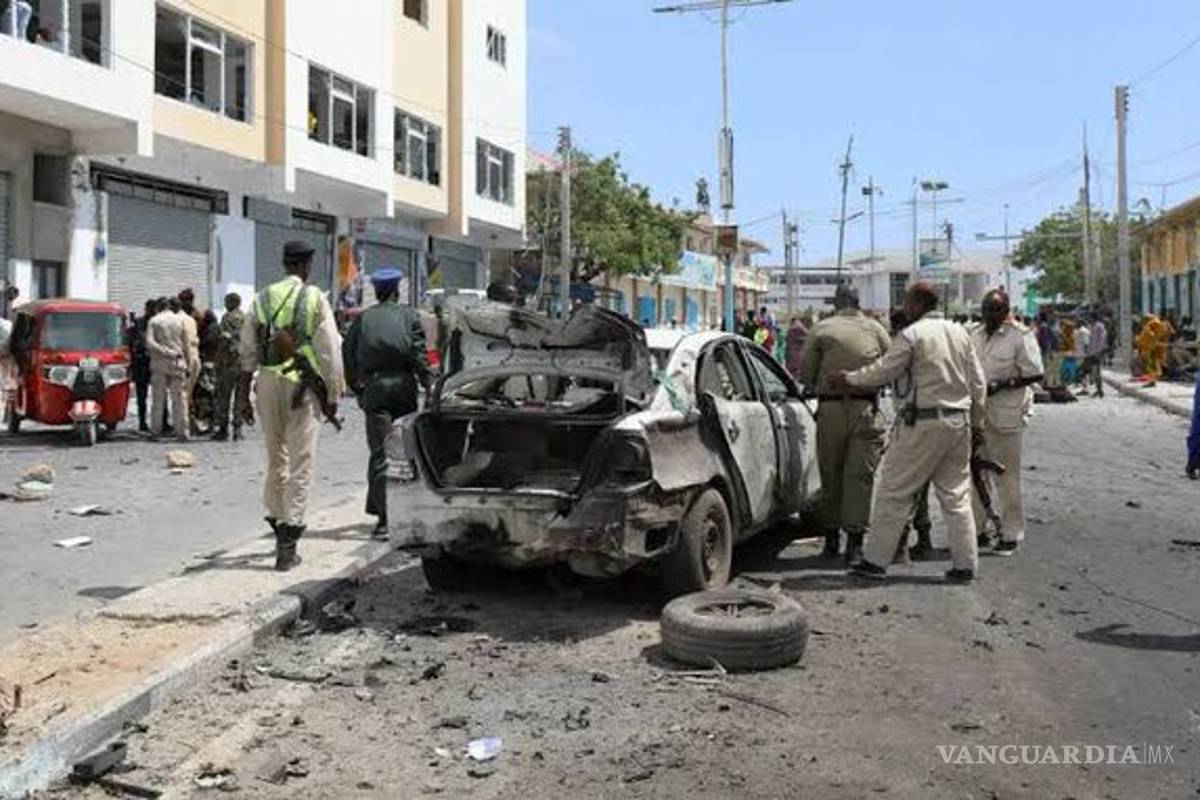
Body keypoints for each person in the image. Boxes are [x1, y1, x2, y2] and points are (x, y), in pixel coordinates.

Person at [828, 281, 987, 583]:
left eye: (907, 303)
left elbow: (883, 370)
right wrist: (978, 423)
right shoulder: (960, 334)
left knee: (894, 491)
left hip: (922, 424)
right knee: (956, 496)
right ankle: (966, 565)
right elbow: (978, 383)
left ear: (915, 304)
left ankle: (875, 562)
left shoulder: (912, 335)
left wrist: (849, 379)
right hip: (958, 421)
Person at [241, 240, 345, 571]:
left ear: (285, 263)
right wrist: (333, 391)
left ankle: (276, 516)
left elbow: (247, 348)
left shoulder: (261, 297)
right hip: (303, 384)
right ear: (306, 266)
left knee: (275, 456)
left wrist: (246, 391)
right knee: (302, 459)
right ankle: (288, 543)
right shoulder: (315, 298)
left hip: (267, 381)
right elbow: (329, 349)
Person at [796, 283, 890, 563]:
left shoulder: (822, 329)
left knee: (831, 473)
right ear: (858, 301)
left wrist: (812, 385)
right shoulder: (876, 328)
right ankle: (856, 544)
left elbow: (806, 372)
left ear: (837, 302)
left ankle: (831, 540)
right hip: (866, 408)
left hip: (831, 409)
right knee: (860, 476)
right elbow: (892, 363)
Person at [342, 268, 430, 539]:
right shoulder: (408, 316)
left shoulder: (363, 319)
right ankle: (408, 510)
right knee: (405, 450)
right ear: (396, 291)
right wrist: (428, 382)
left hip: (375, 389)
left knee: (380, 453)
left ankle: (383, 519)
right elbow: (418, 353)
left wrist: (356, 387)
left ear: (378, 292)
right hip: (404, 387)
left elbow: (348, 354)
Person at [970, 289, 1044, 556]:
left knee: (1007, 477)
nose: (989, 315)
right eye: (986, 309)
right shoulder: (974, 335)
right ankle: (978, 530)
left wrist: (1004, 384)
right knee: (975, 474)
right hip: (978, 415)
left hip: (1006, 416)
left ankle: (1011, 532)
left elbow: (1035, 373)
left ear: (1005, 312)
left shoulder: (1020, 336)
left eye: (995, 310)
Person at [146, 297, 190, 441]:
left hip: (160, 363)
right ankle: (182, 432)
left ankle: (155, 432)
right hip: (178, 362)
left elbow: (150, 342)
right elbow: (186, 344)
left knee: (158, 399)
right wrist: (187, 363)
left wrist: (164, 351)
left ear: (158, 307)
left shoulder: (154, 321)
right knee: (179, 399)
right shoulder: (180, 320)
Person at [212, 293, 252, 442]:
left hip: (229, 363)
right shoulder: (247, 318)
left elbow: (224, 339)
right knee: (240, 397)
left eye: (226, 301)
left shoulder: (227, 318)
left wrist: (218, 359)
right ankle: (237, 429)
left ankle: (223, 429)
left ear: (231, 302)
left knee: (224, 395)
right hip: (243, 362)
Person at [130, 300, 156, 432]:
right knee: (142, 396)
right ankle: (142, 422)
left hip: (154, 361)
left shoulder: (157, 323)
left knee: (158, 395)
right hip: (142, 363)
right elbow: (130, 341)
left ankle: (159, 422)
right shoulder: (138, 323)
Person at [1084, 313, 1107, 398]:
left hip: (1096, 352)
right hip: (1091, 352)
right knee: (1094, 372)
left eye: (1089, 317)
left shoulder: (1099, 326)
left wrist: (1099, 351)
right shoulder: (1091, 327)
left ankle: (1100, 390)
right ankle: (1098, 389)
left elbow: (1102, 339)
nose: (1088, 319)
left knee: (1097, 371)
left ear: (1093, 317)